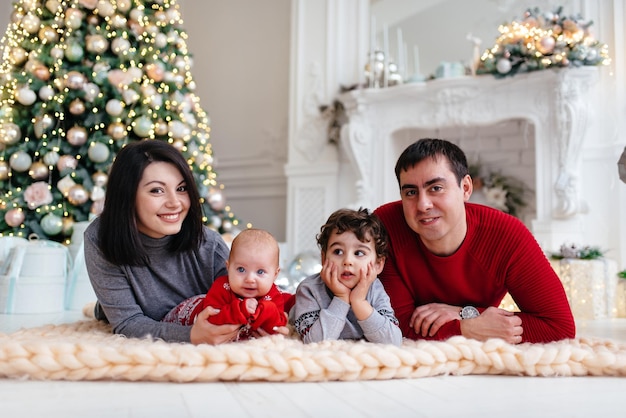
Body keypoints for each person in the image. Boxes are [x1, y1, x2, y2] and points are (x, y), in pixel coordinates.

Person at [374, 138, 576, 344]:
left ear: (466, 188)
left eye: (435, 188)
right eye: (410, 192)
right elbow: (392, 324)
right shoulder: (386, 226)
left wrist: (466, 314)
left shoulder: (506, 235)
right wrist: (467, 328)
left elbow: (558, 326)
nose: (423, 204)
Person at [84, 140, 242, 344]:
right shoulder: (101, 237)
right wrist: (191, 335)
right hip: (134, 308)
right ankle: (101, 308)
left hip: (192, 311)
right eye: (157, 190)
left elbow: (248, 295)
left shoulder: (208, 244)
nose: (175, 203)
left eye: (182, 188)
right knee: (108, 311)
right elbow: (128, 323)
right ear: (127, 196)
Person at [291, 208, 402, 346]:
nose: (347, 260)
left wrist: (359, 302)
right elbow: (314, 343)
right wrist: (341, 298)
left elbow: (393, 342)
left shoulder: (375, 289)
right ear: (324, 258)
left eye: (359, 253)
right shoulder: (309, 289)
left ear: (378, 265)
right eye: (338, 251)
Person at [162, 228, 289, 340]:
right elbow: (211, 321)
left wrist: (265, 311)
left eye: (260, 272)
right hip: (184, 314)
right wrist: (241, 309)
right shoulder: (223, 286)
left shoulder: (274, 294)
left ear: (275, 274)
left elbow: (278, 325)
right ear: (228, 267)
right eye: (241, 269)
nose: (250, 279)